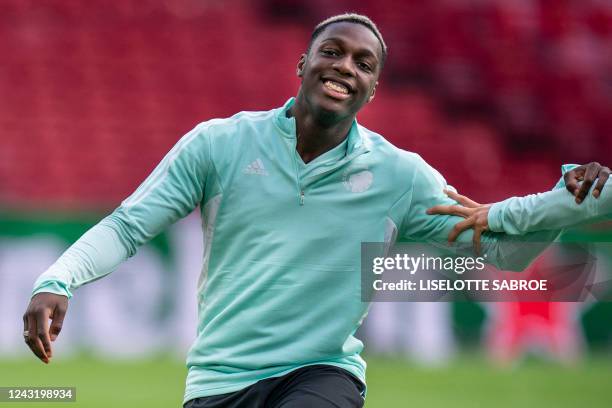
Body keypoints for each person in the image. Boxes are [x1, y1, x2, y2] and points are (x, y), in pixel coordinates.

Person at [22, 13, 611, 408]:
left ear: (373, 89)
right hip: (216, 380)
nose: (345, 67)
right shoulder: (219, 145)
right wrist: (59, 279)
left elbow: (504, 251)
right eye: (332, 52)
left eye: (363, 63)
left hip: (321, 374)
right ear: (301, 66)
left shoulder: (399, 175)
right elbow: (129, 226)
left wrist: (572, 201)